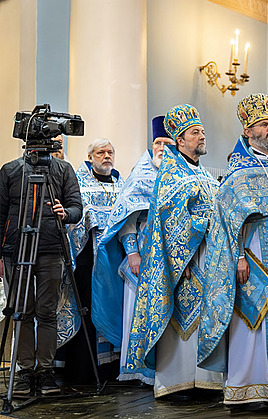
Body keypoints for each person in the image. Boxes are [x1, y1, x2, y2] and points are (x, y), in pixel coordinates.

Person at [197, 93, 268, 409]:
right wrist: (239, 257)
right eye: (264, 125)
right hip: (256, 253)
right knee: (255, 319)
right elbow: (227, 220)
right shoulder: (238, 171)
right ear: (249, 131)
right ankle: (248, 388)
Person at [125, 104, 222, 399]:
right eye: (195, 132)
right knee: (179, 319)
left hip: (206, 255)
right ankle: (175, 382)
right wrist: (182, 257)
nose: (202, 136)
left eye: (202, 131)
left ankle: (205, 381)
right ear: (180, 140)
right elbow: (169, 218)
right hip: (178, 259)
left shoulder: (203, 173)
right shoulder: (171, 173)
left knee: (203, 317)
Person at [92, 116, 175, 384]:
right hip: (144, 253)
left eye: (167, 142)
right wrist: (132, 253)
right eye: (158, 142)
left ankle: (169, 368)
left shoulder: (180, 174)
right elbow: (126, 219)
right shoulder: (140, 176)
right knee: (139, 310)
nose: (162, 147)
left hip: (173, 253)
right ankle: (139, 368)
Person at [0, 145, 82, 396]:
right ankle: (25, 370)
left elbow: (76, 208)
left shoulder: (63, 169)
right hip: (16, 250)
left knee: (47, 312)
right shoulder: (10, 170)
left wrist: (65, 213)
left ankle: (44, 370)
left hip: (50, 248)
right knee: (21, 312)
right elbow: (0, 213)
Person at [64, 138, 126, 383]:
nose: (107, 156)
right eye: (101, 152)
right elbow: (76, 218)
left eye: (110, 152)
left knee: (116, 307)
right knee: (89, 307)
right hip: (89, 258)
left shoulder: (121, 184)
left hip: (116, 257)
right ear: (90, 157)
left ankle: (112, 369)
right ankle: (87, 371)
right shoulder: (78, 182)